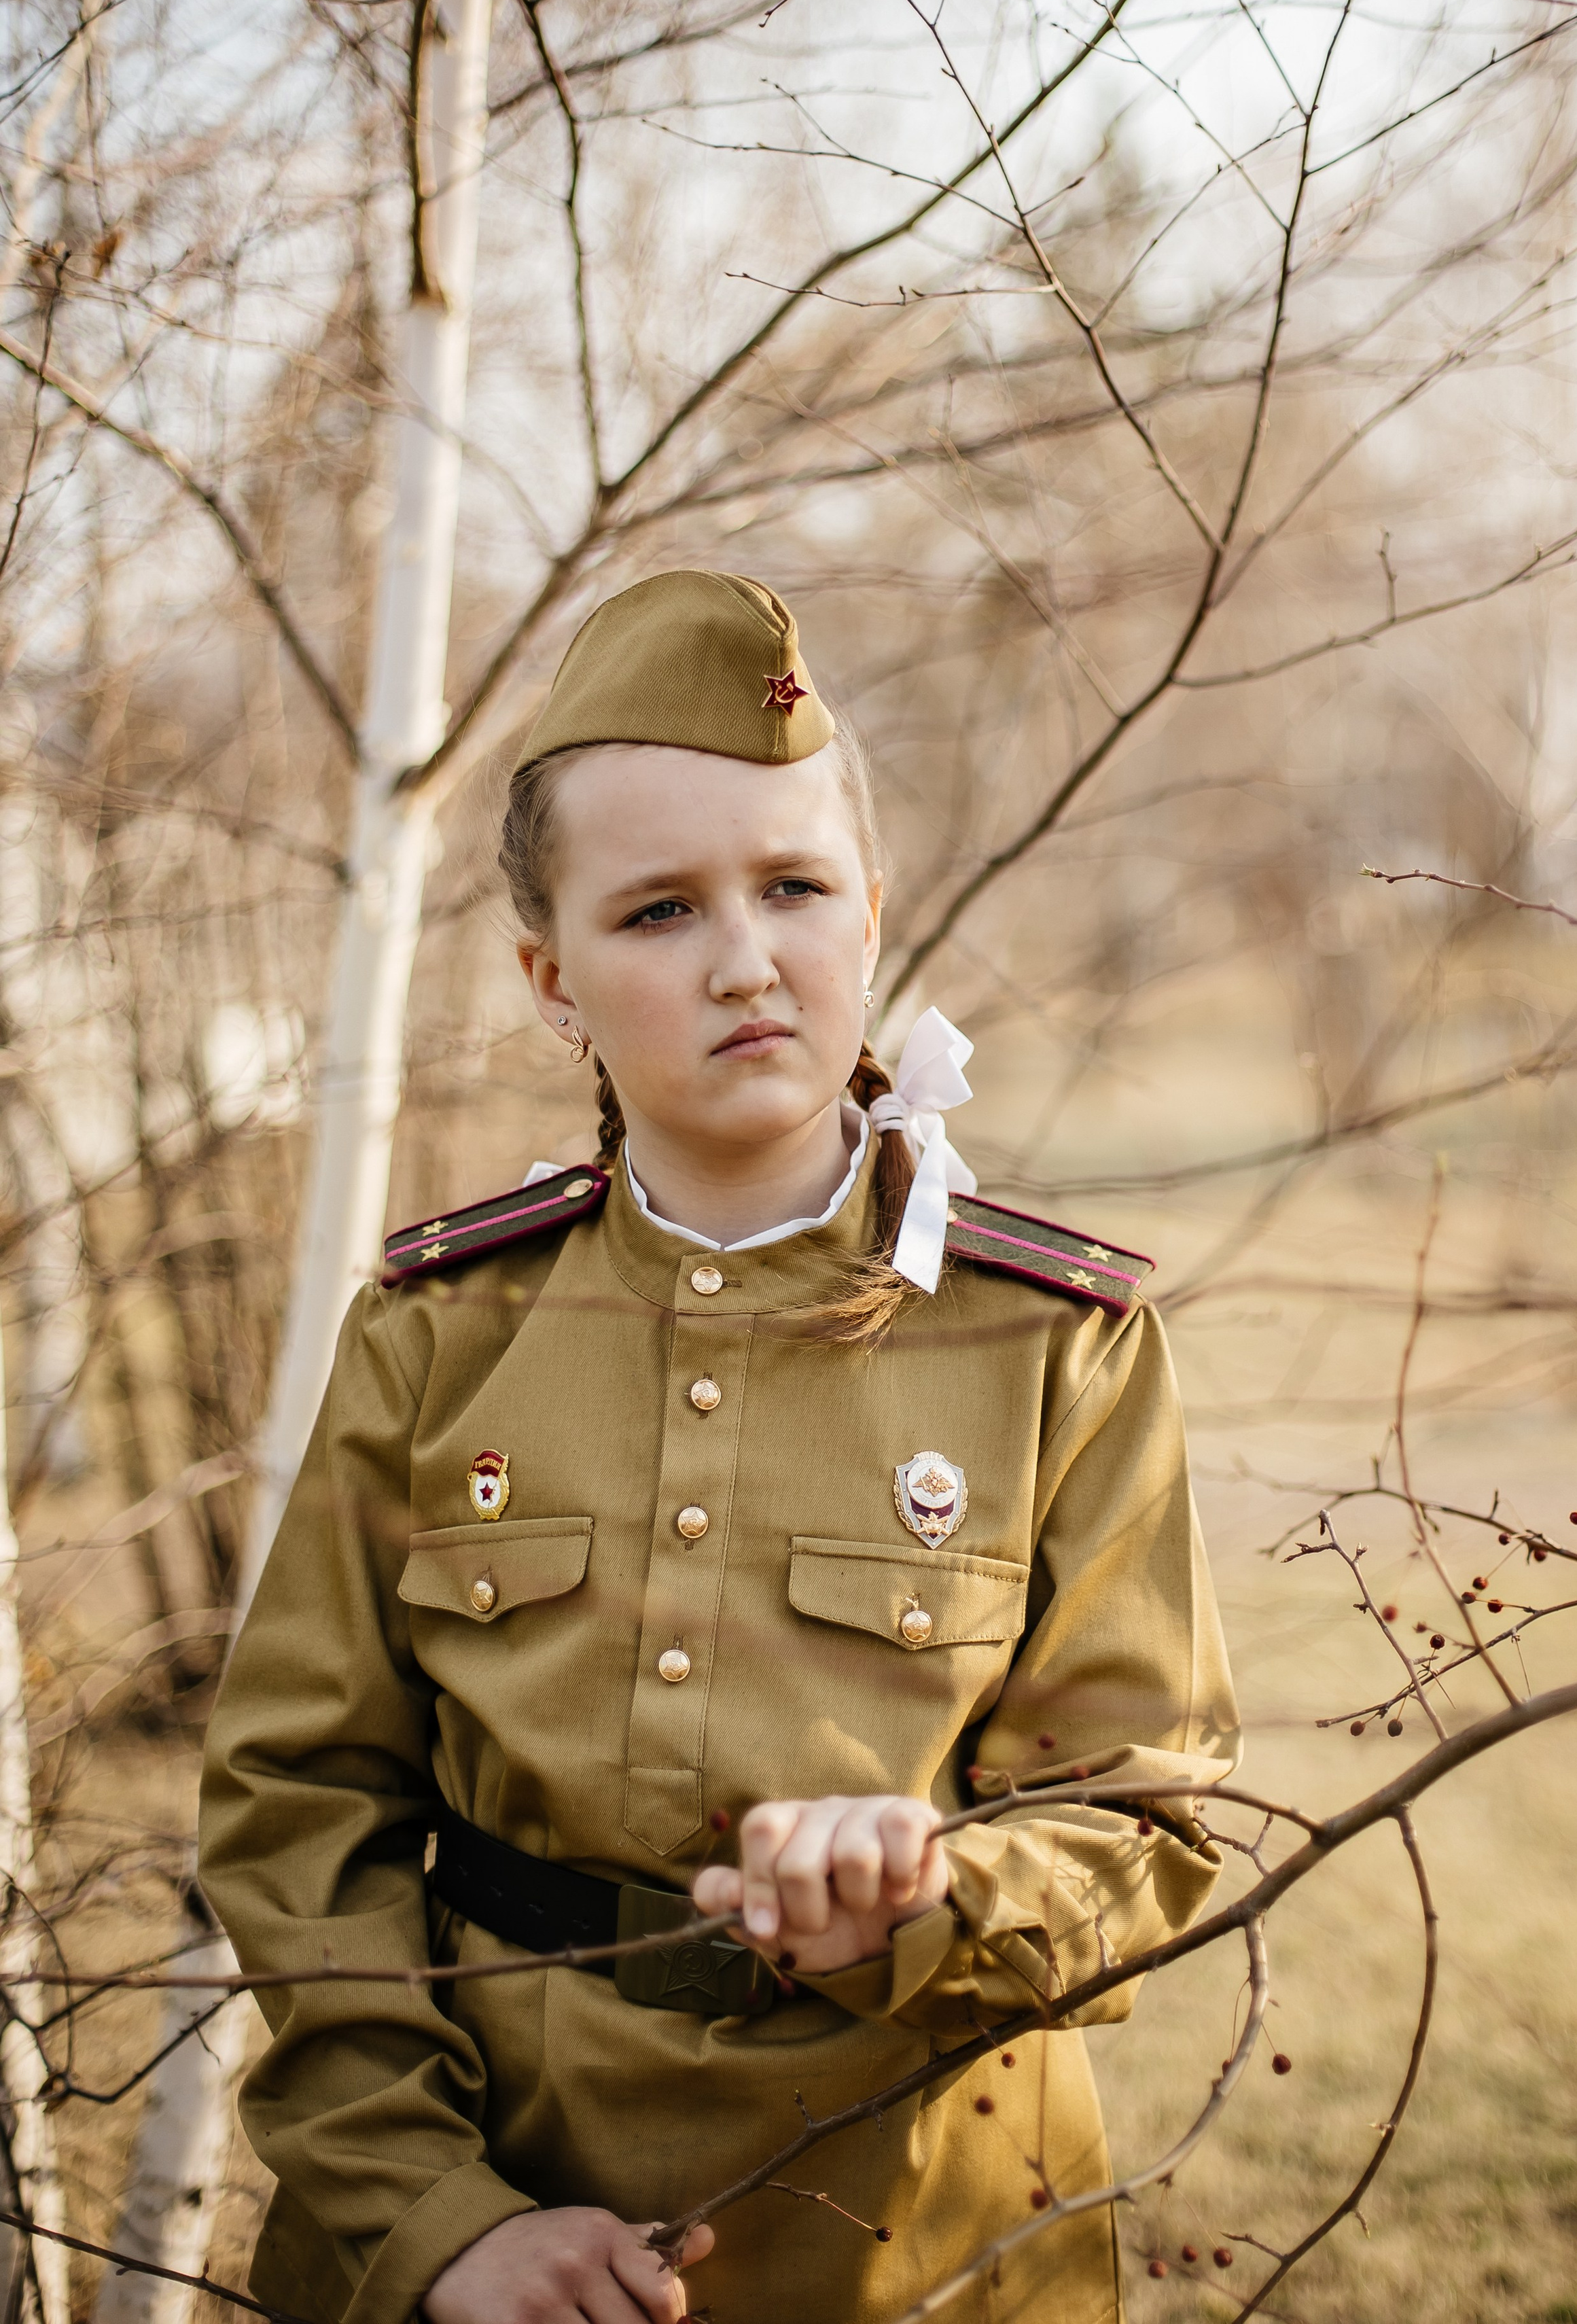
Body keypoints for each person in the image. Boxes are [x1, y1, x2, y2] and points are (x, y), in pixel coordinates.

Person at [199, 568, 1240, 2324]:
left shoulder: (1055, 1343)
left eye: (795, 889)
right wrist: (433, 2218)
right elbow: (300, 1804)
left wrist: (932, 1898)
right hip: (492, 2196)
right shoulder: (445, 1332)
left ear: (874, 914)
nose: (747, 958)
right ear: (554, 980)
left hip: (921, 2230)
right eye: (661, 910)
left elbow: (1144, 1824)